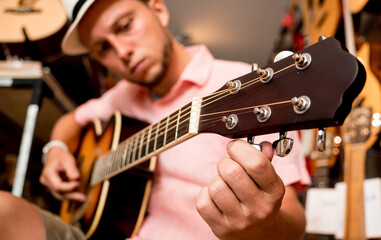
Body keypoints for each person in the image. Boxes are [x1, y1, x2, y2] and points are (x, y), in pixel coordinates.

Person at [0, 0, 310, 239]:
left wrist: (261, 229)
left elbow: (295, 222)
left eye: (124, 26)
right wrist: (55, 148)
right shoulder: (121, 95)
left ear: (159, 10)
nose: (122, 51)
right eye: (103, 48)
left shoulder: (243, 84)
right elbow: (72, 120)